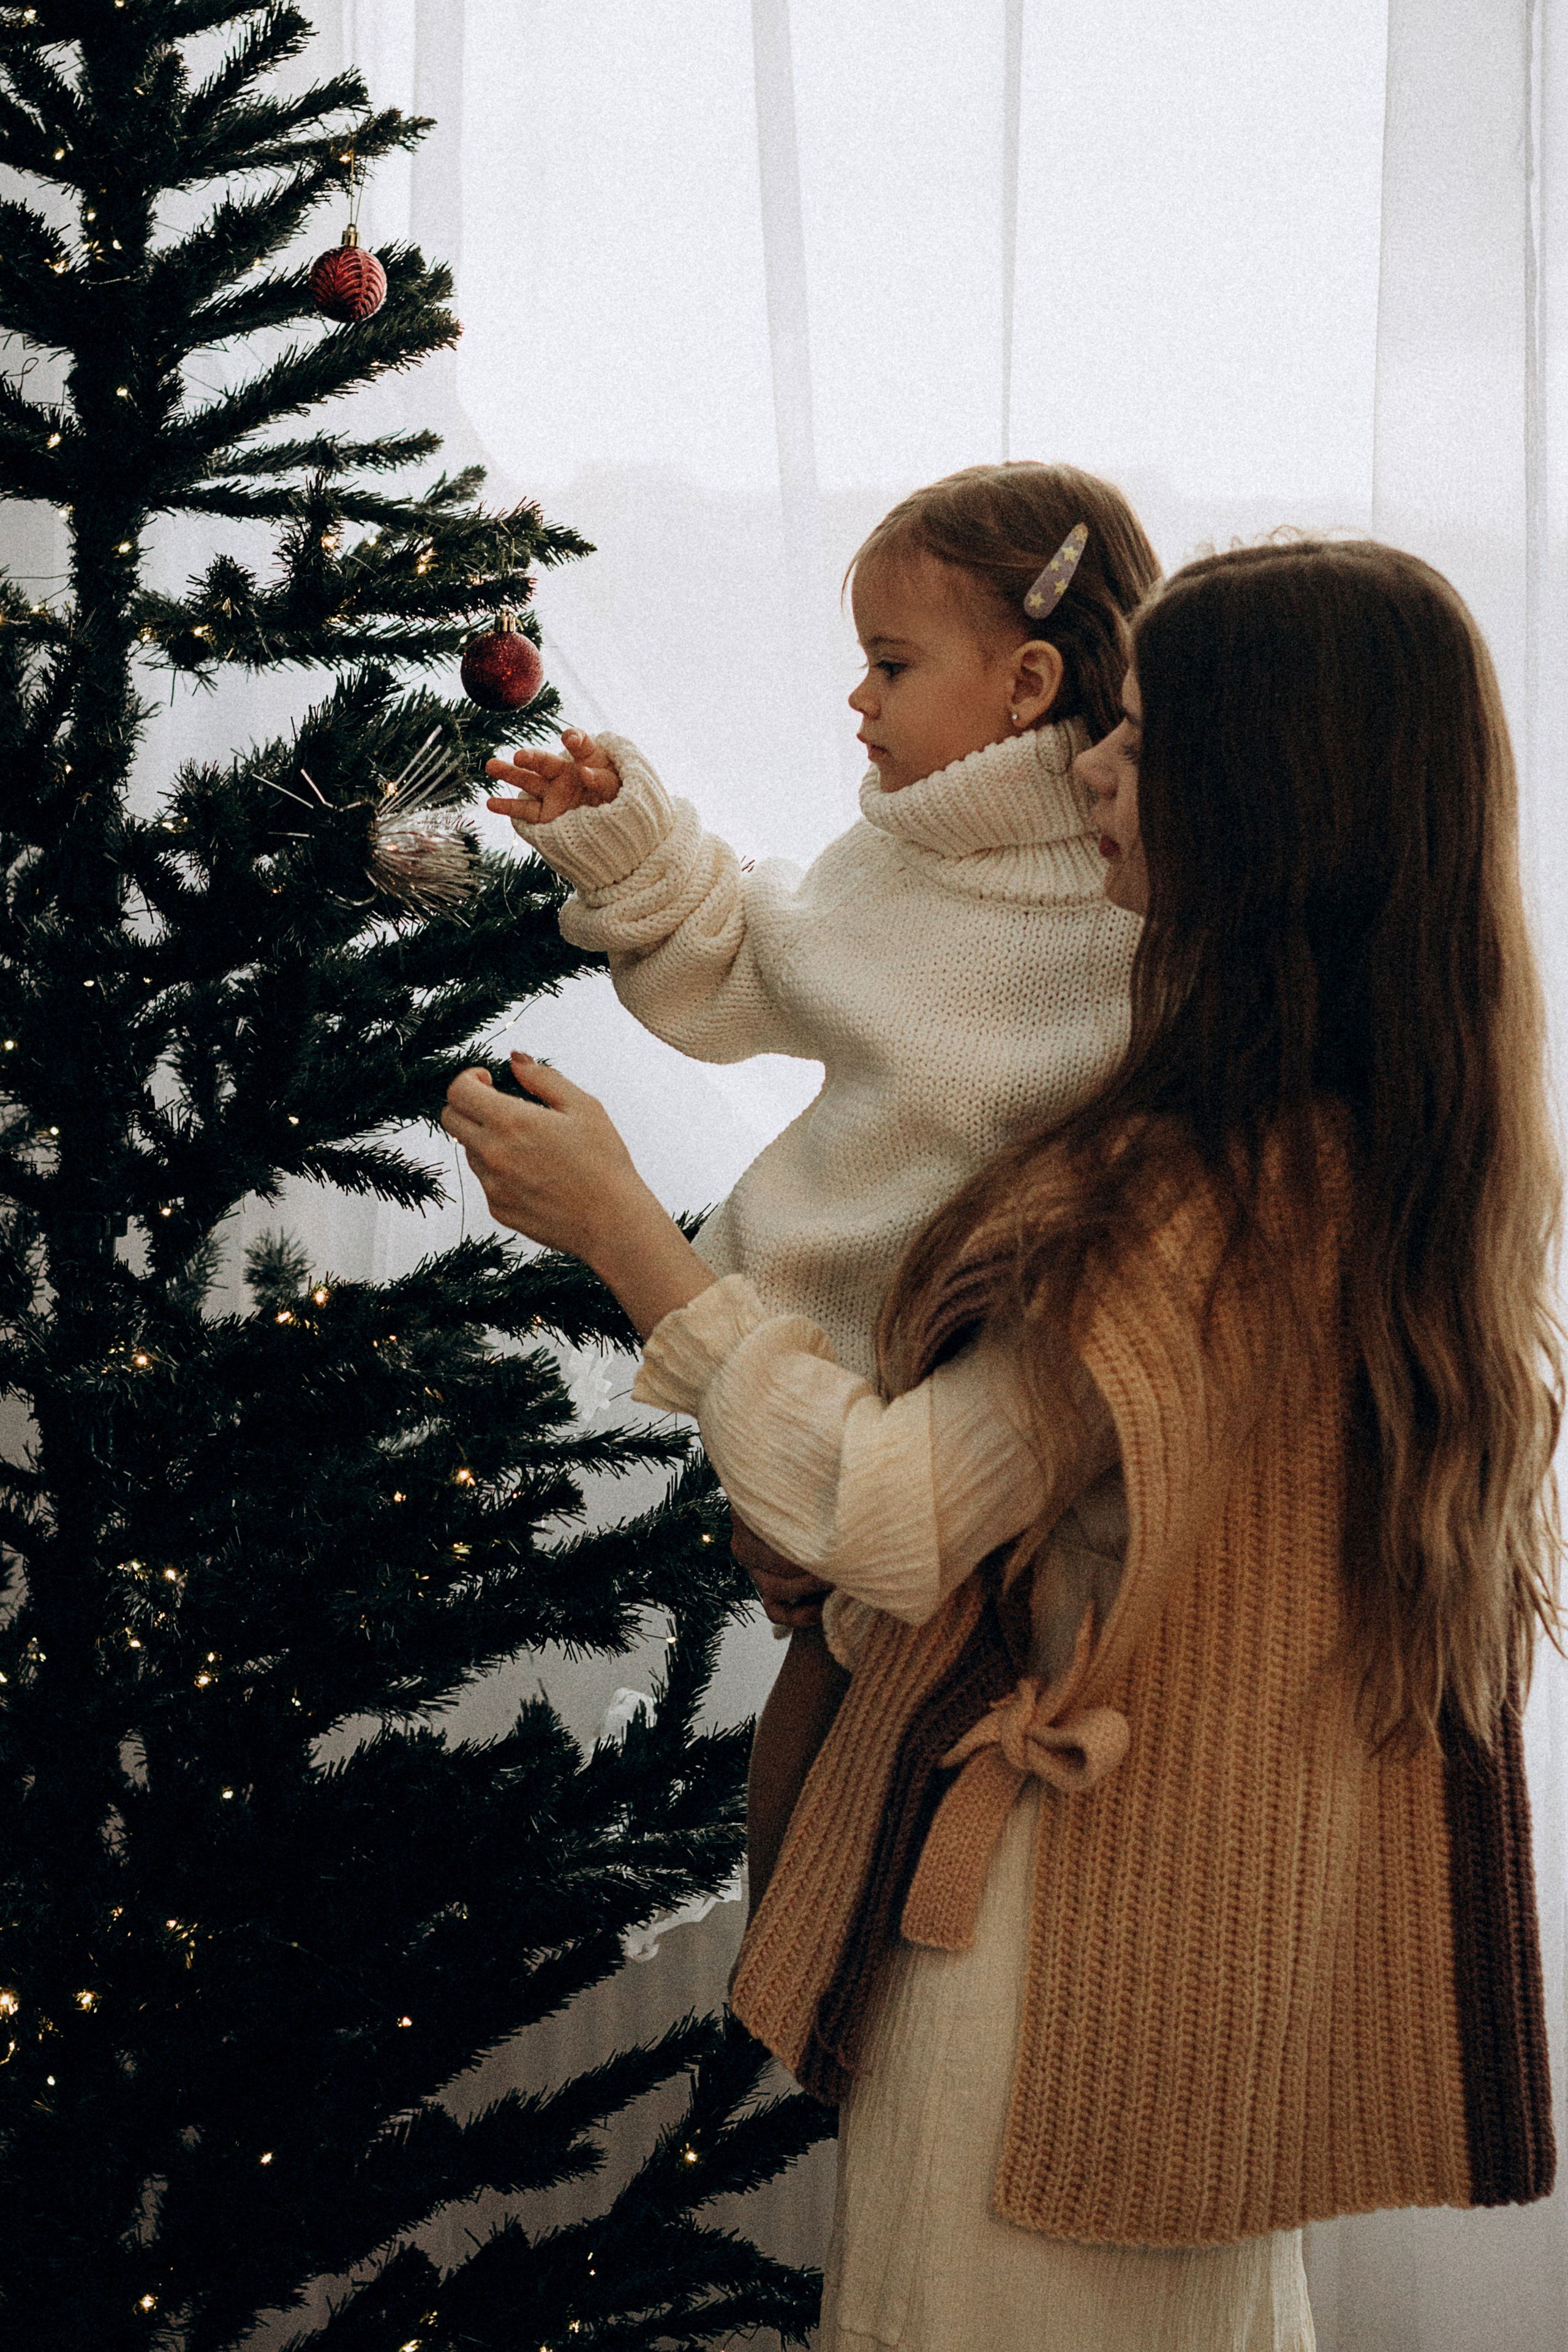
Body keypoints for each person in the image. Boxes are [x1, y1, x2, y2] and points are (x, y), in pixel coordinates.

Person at [443, 537, 1561, 2352]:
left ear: (1267, 802)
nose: (1092, 770)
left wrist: (627, 1238)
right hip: (1210, 2004)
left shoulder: (1202, 1197)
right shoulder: (1393, 1149)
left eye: (1143, 737)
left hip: (1060, 1989)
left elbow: (894, 1515)